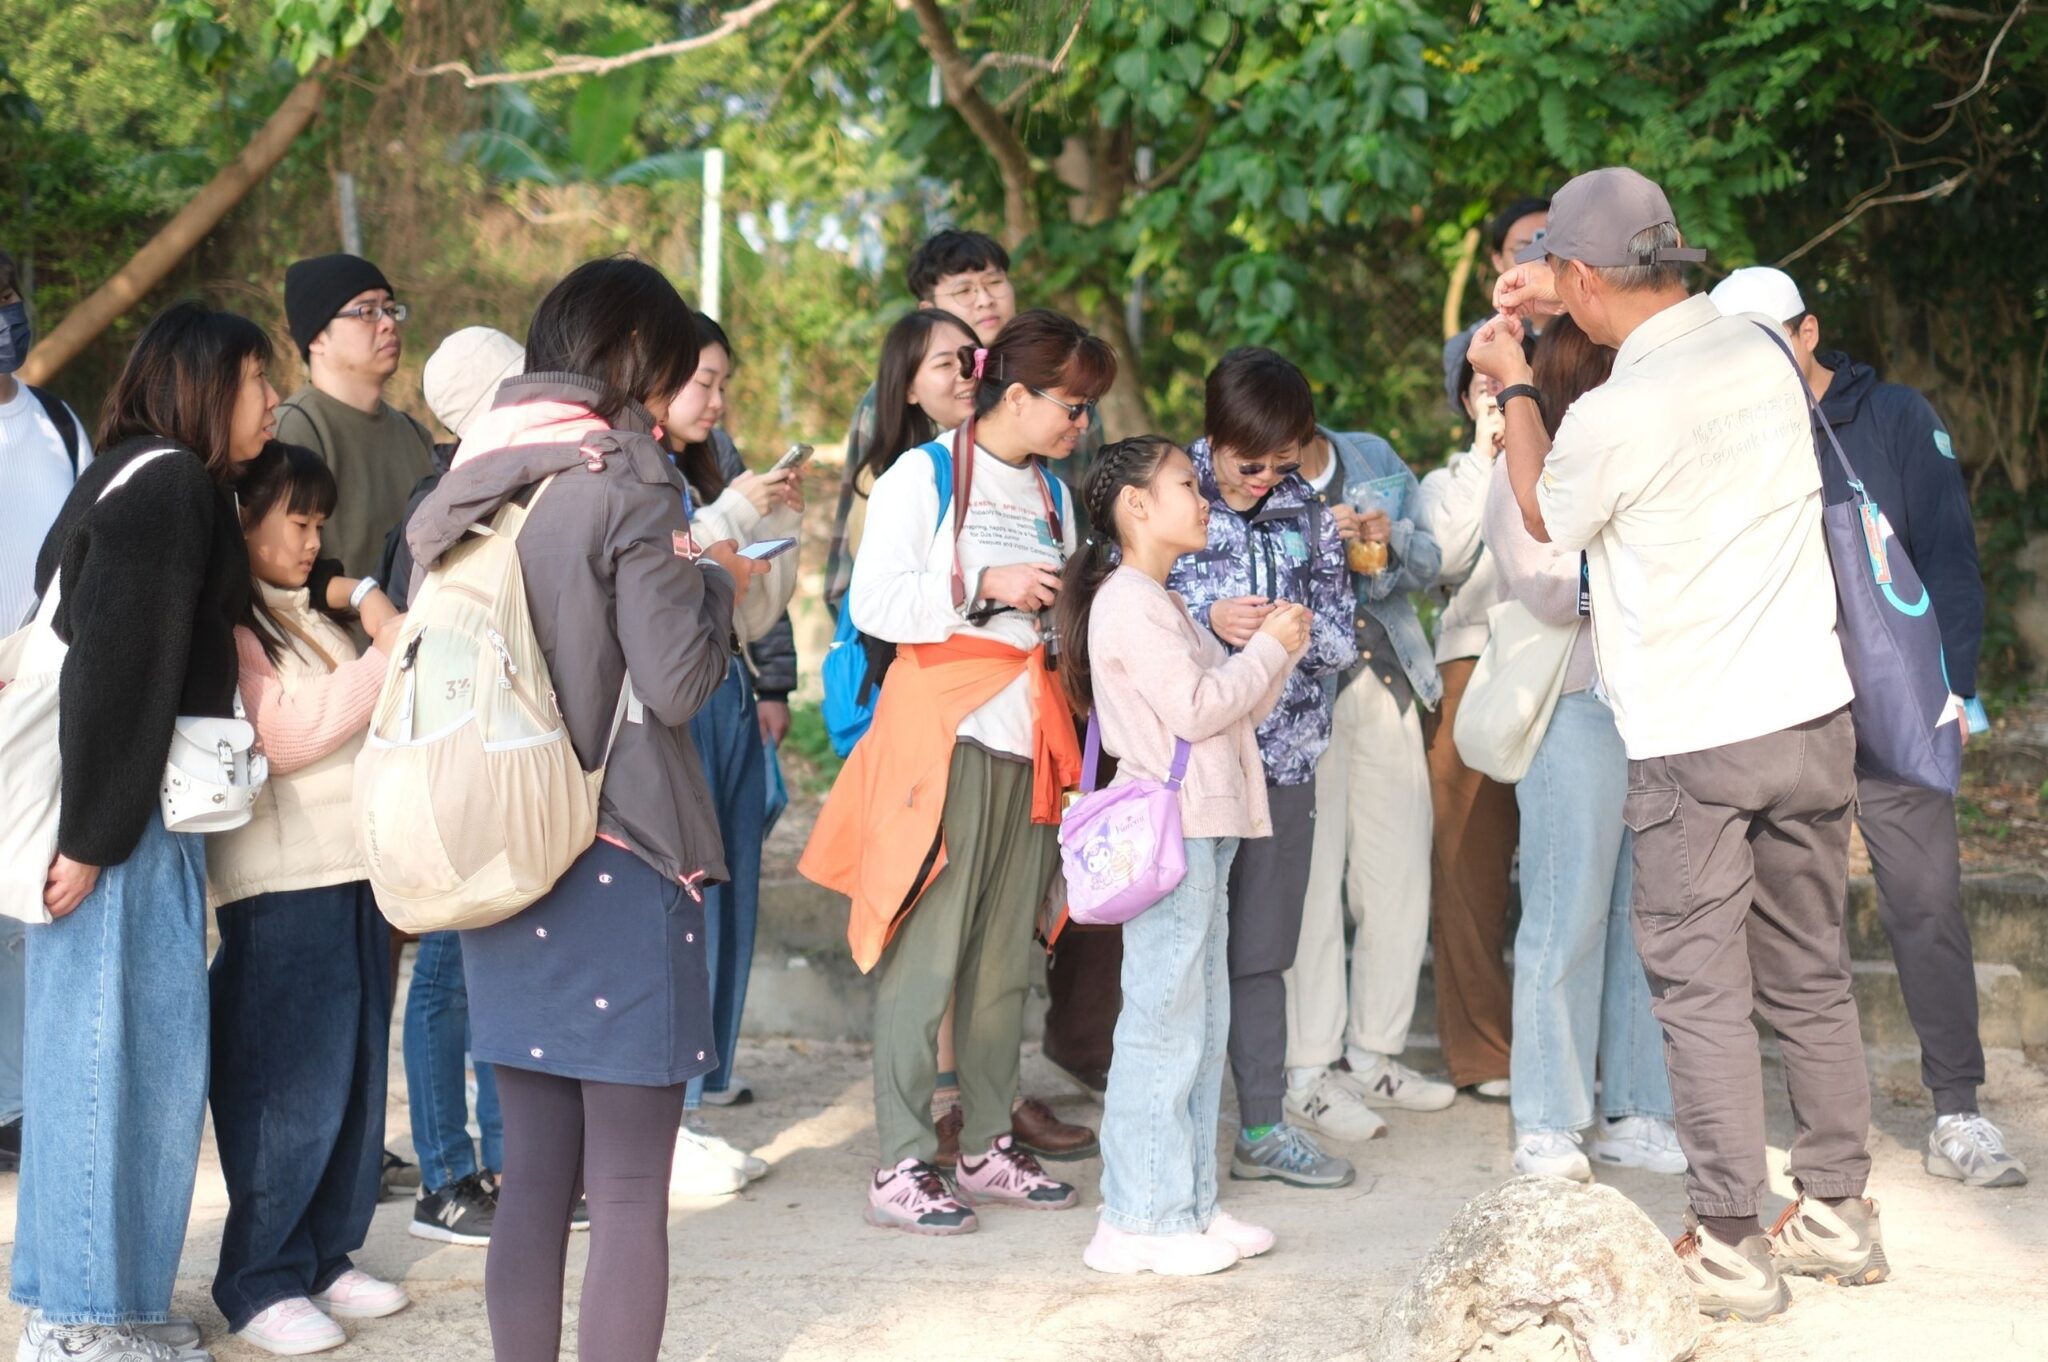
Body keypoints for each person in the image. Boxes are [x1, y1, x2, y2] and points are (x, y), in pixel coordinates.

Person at [1473, 166, 1878, 1322]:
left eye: (1564, 274)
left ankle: (1729, 1240)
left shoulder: (1608, 412)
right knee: (1807, 973)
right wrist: (1544, 313)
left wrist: (1510, 390)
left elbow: (1549, 511)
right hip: (1807, 710)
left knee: (1697, 991)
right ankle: (1838, 1209)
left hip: (1694, 738)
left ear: (1587, 278)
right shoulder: (1756, 351)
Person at [402, 257, 756, 1362]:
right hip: (620, 853)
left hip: (502, 848)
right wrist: (712, 582)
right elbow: (676, 684)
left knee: (535, 1185)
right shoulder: (630, 478)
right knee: (629, 1195)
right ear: (635, 360)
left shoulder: (476, 476)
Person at [1709, 266, 2023, 1189]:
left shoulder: (1891, 417)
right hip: (1782, 708)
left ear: (1808, 333)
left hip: (1896, 704)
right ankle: (1822, 1136)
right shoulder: (1730, 440)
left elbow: (1951, 564)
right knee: (1799, 925)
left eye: (1768, 341)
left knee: (1923, 903)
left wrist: (1953, 691)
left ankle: (1957, 1111)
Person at [801, 309, 1113, 1235]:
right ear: (1015, 396)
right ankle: (901, 1160)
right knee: (926, 956)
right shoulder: (922, 473)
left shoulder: (1054, 494)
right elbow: (873, 603)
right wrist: (987, 586)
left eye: (1088, 408)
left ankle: (985, 1143)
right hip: (946, 736)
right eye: (1072, 404)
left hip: (1032, 742)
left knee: (1000, 966)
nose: (1081, 423)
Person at [15, 300, 279, 1362]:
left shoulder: (130, 471)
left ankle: (82, 1298)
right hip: (120, 821)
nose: (271, 400)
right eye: (258, 381)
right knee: (115, 1060)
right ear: (206, 385)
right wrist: (92, 838)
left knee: (101, 1055)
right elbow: (118, 672)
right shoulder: (170, 484)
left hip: (115, 810)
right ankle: (83, 1324)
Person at [1058, 437, 1309, 1275]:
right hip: (1179, 829)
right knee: (1164, 1025)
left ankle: (1187, 1205)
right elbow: (1202, 708)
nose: (1201, 499)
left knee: (1198, 1023)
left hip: (1206, 824)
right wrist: (1267, 650)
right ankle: (1136, 1220)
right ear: (1136, 505)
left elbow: (1233, 705)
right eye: (1181, 485)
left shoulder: (1158, 599)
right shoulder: (1130, 602)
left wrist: (1275, 648)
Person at [205, 442, 412, 1354]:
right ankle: (258, 1277)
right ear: (242, 521)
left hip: (358, 871)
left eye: (319, 522)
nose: (311, 537)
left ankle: (326, 1253)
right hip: (282, 880)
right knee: (289, 1085)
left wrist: (356, 594)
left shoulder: (305, 611)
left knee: (359, 1075)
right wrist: (385, 656)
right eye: (297, 520)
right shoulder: (231, 624)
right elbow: (285, 731)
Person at [1479, 315, 1681, 1183]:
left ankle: (1640, 1108)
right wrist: (1645, 569)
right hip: (1575, 711)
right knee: (1565, 916)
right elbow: (1551, 587)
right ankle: (1551, 1120)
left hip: (1660, 713)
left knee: (1651, 922)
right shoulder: (1521, 473)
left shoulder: (1639, 466)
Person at [1167, 348, 1359, 1189]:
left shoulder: (1308, 514)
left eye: (1283, 462)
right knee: (1179, 946)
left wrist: (1299, 631)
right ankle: (1167, 1128)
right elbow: (1120, 615)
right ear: (1214, 435)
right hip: (1188, 766)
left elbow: (1347, 636)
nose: (1265, 478)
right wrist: (1206, 618)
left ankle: (1262, 1128)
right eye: (1251, 463)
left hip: (1283, 762)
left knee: (1261, 951)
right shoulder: (1162, 497)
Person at [1282, 419, 1453, 1143]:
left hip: (1387, 684)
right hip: (1302, 697)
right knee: (1313, 888)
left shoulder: (1371, 457)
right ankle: (1308, 1071)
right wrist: (1319, 538)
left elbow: (1428, 562)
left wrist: (1390, 535)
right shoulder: (1251, 475)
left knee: (1399, 878)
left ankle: (1374, 1053)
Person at [662, 314, 794, 1194]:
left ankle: (703, 1088)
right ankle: (671, 1115)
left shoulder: (707, 459)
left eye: (723, 382)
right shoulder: (625, 471)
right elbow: (675, 575)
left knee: (731, 901)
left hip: (732, 683)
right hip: (677, 703)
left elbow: (749, 594)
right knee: (686, 905)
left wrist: (774, 680)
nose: (717, 400)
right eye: (703, 381)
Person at [399, 325, 524, 1248]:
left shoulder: (519, 488)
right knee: (445, 976)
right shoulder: (443, 501)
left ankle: (511, 1165)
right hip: (451, 760)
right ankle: (444, 1176)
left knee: (500, 973)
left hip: (510, 761)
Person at [0, 245, 93, 1176]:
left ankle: (19, 1102)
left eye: (10, 297)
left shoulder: (58, 424)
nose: (6, 318)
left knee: (29, 902)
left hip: (40, 696)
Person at [1413, 338, 1520, 1103]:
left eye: (1504, 376)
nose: (1490, 391)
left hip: (1569, 668)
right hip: (1472, 667)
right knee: (1467, 869)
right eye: (1477, 382)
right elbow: (1442, 561)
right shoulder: (1446, 481)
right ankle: (1484, 1053)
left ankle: (1565, 1046)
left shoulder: (1571, 455)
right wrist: (1487, 459)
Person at [276, 253, 436, 579]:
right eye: (367, 312)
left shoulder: (415, 434)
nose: (388, 323)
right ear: (318, 337)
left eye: (390, 309)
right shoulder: (293, 430)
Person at [1441, 196, 1551, 390]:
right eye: (1525, 248)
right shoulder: (1471, 347)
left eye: (1547, 245)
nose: (1540, 259)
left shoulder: (1599, 331)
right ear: (1498, 260)